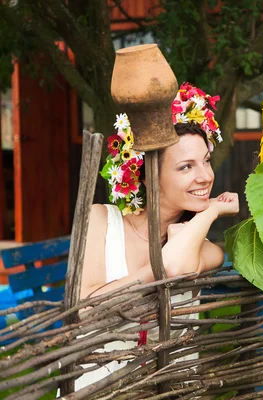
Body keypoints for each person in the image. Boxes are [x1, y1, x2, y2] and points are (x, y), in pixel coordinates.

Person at [76, 83, 239, 389]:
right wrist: (153, 268)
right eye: (186, 166)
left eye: (205, 161)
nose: (205, 176)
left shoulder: (204, 249)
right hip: (97, 389)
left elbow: (176, 265)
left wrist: (208, 212)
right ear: (149, 174)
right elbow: (84, 312)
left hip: (169, 391)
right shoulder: (100, 220)